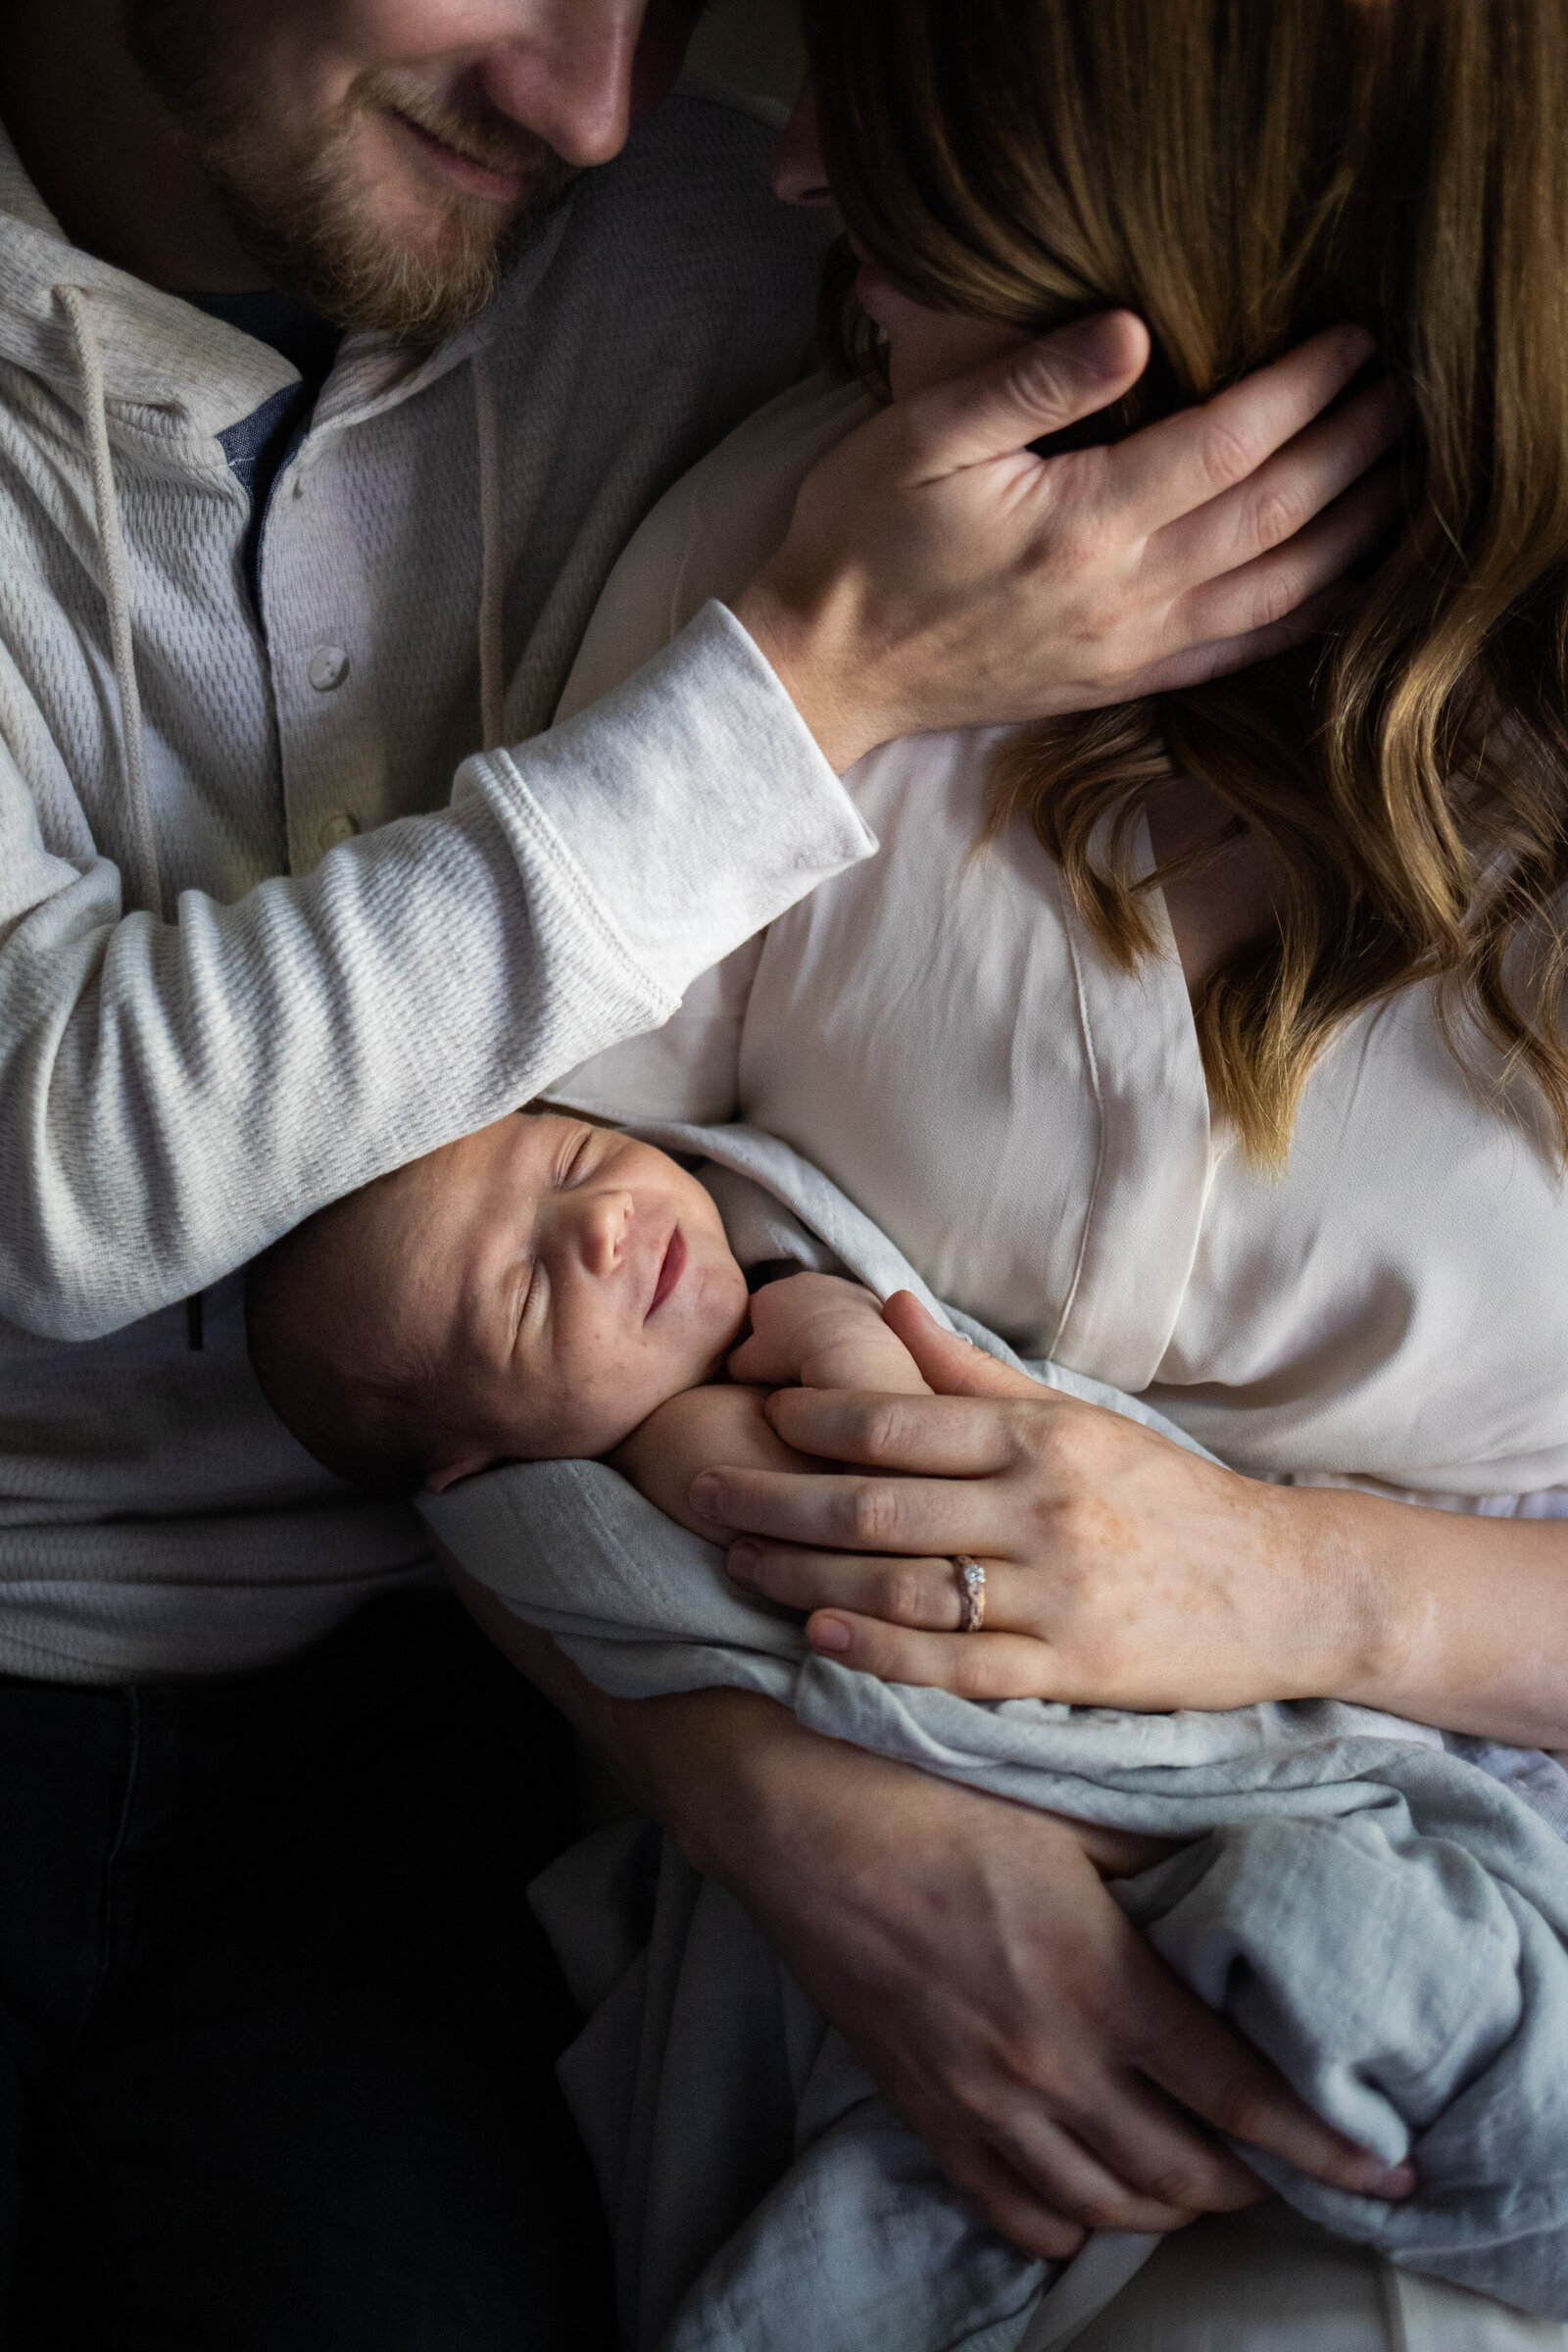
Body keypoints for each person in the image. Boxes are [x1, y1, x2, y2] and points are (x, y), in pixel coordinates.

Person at [0, 0, 1395, 2339]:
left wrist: (755, 1759)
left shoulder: (736, 262)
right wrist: (813, 677)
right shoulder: (802, 503)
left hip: (445, 1697)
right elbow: (57, 1169)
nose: (597, 103)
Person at [430, 0, 1568, 2337]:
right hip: (813, 1915)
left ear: (1205, 162)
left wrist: (1298, 1584)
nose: (788, 160)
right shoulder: (802, 563)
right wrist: (789, 1802)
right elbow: (446, 1314)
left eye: (916, 98)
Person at [240, 1103, 929, 1492]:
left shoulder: (731, 1190)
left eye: (575, 1161)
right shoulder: (680, 1450)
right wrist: (837, 1333)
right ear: (477, 1458)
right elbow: (900, 1493)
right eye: (526, 1296)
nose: (603, 1219)